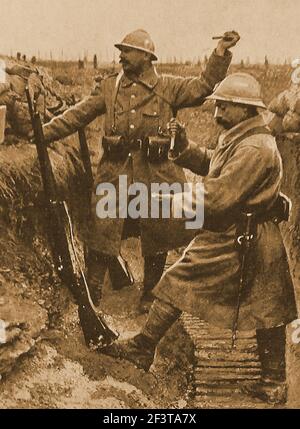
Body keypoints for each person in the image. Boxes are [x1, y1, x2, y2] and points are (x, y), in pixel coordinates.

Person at [101, 72, 298, 404]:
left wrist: (164, 199)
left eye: (223, 106)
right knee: (194, 284)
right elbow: (214, 165)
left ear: (243, 108)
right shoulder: (240, 136)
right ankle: (145, 347)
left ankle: (274, 381)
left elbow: (218, 195)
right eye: (217, 105)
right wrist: (186, 148)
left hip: (246, 235)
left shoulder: (256, 147)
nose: (216, 112)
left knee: (267, 306)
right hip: (237, 232)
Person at [41, 29, 240, 312]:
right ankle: (92, 294)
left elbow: (204, 85)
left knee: (159, 232)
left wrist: (221, 51)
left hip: (157, 175)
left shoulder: (169, 87)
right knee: (102, 229)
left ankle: (150, 293)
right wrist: (41, 134)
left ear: (146, 56)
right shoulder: (109, 88)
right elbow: (76, 116)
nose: (121, 56)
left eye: (127, 51)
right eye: (121, 50)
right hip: (116, 173)